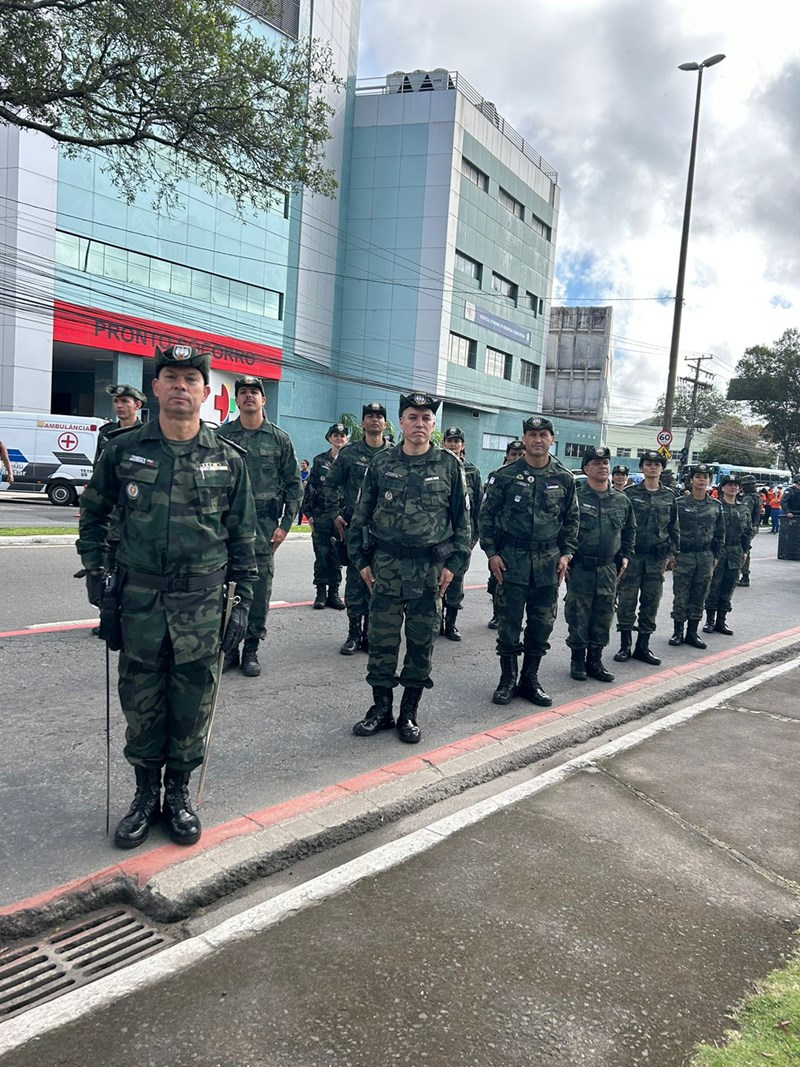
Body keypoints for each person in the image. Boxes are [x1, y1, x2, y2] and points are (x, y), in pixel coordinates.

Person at [76, 344, 257, 849]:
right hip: (139, 606)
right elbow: (92, 516)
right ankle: (142, 798)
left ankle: (177, 797)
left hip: (202, 608)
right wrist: (96, 571)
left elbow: (245, 538)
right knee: (141, 704)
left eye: (190, 379)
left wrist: (242, 602)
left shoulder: (228, 460)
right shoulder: (124, 450)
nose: (180, 386)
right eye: (170, 377)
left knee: (192, 704)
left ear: (205, 391)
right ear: (154, 388)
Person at [348, 392, 471, 743]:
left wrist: (454, 565)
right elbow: (360, 517)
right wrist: (360, 562)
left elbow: (463, 523)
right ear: (399, 422)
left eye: (426, 419)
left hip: (429, 571)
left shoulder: (449, 465)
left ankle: (409, 712)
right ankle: (380, 709)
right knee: (382, 642)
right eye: (412, 417)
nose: (420, 424)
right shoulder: (382, 463)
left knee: (420, 644)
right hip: (385, 568)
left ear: (433, 426)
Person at [478, 415, 579, 707]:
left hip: (548, 563)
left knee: (541, 625)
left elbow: (572, 520)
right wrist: (491, 553)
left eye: (543, 434)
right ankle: (507, 680)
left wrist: (567, 553)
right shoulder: (505, 475)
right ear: (524, 439)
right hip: (511, 561)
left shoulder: (564, 478)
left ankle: (530, 679)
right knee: (509, 624)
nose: (537, 439)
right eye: (532, 434)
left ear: (552, 439)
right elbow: (486, 517)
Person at [217, 376, 302, 678]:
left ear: (264, 400)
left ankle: (251, 648)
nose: (249, 396)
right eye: (243, 393)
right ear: (236, 400)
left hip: (265, 527)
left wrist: (285, 526)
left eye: (255, 392)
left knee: (259, 588)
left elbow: (294, 486)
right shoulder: (222, 436)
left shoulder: (279, 439)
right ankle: (228, 649)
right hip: (227, 528)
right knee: (226, 587)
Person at [322, 402, 392, 655]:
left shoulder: (394, 455)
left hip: (385, 531)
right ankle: (353, 633)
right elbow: (329, 485)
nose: (375, 420)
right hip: (355, 527)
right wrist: (334, 514)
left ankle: (371, 634)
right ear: (363, 423)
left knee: (380, 582)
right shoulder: (349, 453)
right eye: (370, 416)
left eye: (379, 417)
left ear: (385, 423)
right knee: (355, 582)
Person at [565, 446, 635, 683]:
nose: (603, 466)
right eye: (596, 463)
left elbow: (629, 531)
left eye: (605, 462)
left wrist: (625, 555)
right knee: (578, 614)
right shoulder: (575, 497)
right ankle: (577, 659)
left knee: (604, 614)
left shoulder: (621, 500)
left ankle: (595, 659)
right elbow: (564, 529)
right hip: (581, 567)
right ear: (586, 469)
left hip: (608, 568)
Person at [614, 450, 680, 665]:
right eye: (649, 464)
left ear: (662, 469)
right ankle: (625, 645)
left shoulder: (669, 496)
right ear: (642, 468)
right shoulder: (630, 494)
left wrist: (671, 555)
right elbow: (621, 527)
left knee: (651, 602)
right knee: (626, 601)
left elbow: (673, 528)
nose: (653, 467)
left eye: (657, 464)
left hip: (656, 559)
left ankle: (643, 645)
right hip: (633, 557)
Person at [669, 463, 724, 650]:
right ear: (691, 480)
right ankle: (678, 631)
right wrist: (673, 553)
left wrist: (716, 556)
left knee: (700, 594)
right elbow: (671, 529)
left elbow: (720, 534)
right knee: (681, 594)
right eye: (698, 476)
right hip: (684, 554)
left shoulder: (716, 506)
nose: (702, 480)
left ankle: (692, 632)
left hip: (705, 555)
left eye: (705, 477)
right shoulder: (679, 503)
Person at [440, 426, 482, 641]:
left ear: (463, 445)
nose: (453, 444)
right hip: (439, 538)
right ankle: (436, 621)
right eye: (450, 440)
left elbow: (476, 513)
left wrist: (473, 539)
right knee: (436, 580)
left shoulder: (473, 472)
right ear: (443, 443)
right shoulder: (437, 468)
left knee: (456, 581)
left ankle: (451, 624)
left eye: (457, 441)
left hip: (461, 538)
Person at [305, 423, 349, 610]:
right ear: (329, 438)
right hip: (321, 515)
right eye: (335, 435)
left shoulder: (350, 460)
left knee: (337, 556)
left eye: (342, 435)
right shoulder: (319, 461)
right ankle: (321, 594)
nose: (339, 438)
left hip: (341, 516)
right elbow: (310, 489)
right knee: (321, 555)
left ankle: (334, 593)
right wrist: (310, 515)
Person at [702, 474, 752, 636]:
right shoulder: (716, 506)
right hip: (718, 551)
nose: (732, 487)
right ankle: (709, 620)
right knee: (713, 585)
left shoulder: (743, 509)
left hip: (735, 551)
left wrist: (745, 551)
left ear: (739, 489)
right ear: (722, 488)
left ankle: (721, 621)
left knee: (729, 585)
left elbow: (747, 532)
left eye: (736, 485)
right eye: (729, 484)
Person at [486, 439, 526, 629]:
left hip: (521, 541)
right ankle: (497, 614)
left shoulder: (530, 479)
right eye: (513, 454)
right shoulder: (497, 476)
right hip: (500, 538)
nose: (517, 458)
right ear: (506, 456)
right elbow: (487, 511)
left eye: (520, 454)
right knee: (497, 578)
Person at [94, 384, 147, 462]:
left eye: (124, 401)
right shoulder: (106, 432)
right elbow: (97, 464)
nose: (119, 405)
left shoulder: (146, 433)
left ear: (137, 405)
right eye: (115, 401)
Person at [737, 476, 762, 586]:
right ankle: (744, 575)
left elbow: (744, 514)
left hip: (747, 527)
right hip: (754, 526)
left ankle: (744, 575)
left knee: (742, 550)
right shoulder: (756, 496)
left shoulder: (748, 498)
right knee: (745, 550)